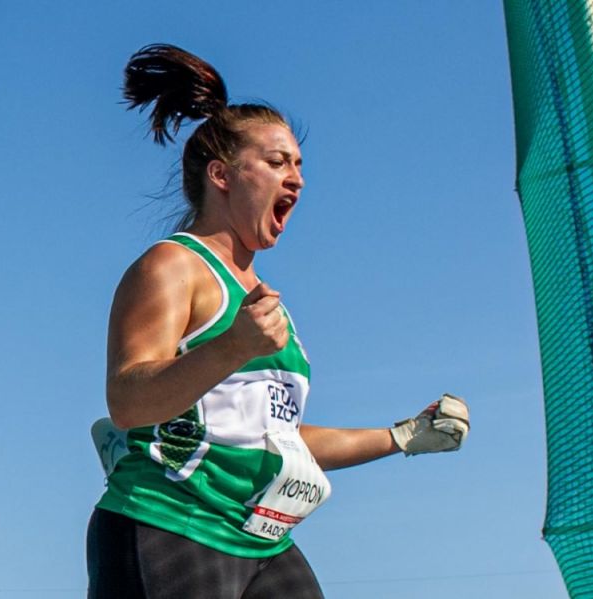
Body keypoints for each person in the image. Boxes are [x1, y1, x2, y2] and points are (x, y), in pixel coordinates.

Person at [86, 44, 470, 599]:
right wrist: (231, 348)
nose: (297, 178)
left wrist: (400, 437)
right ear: (222, 175)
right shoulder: (174, 265)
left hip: (261, 541)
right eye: (277, 162)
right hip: (169, 523)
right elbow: (127, 400)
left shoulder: (267, 305)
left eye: (298, 164)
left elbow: (277, 438)